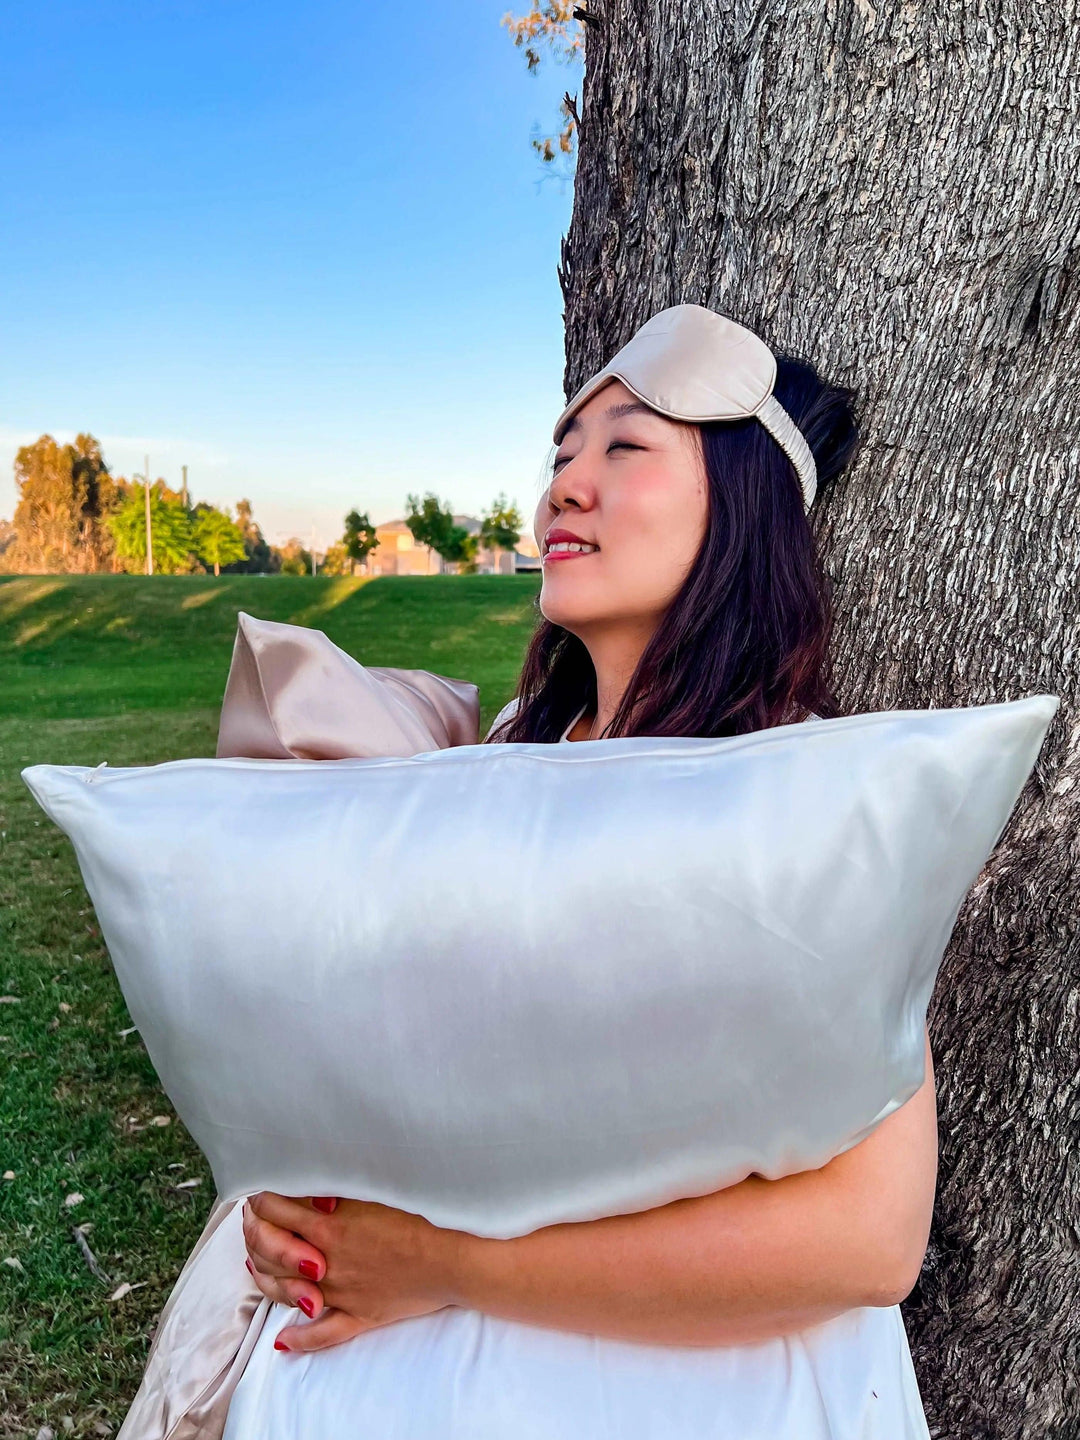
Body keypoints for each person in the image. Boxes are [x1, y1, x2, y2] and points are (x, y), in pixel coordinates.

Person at [229, 305, 937, 1438]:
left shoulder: (798, 792)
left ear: (741, 504)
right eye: (563, 455)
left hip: (696, 1394)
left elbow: (872, 1235)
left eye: (627, 447)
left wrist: (445, 1265)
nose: (565, 486)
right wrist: (304, 1215)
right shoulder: (508, 751)